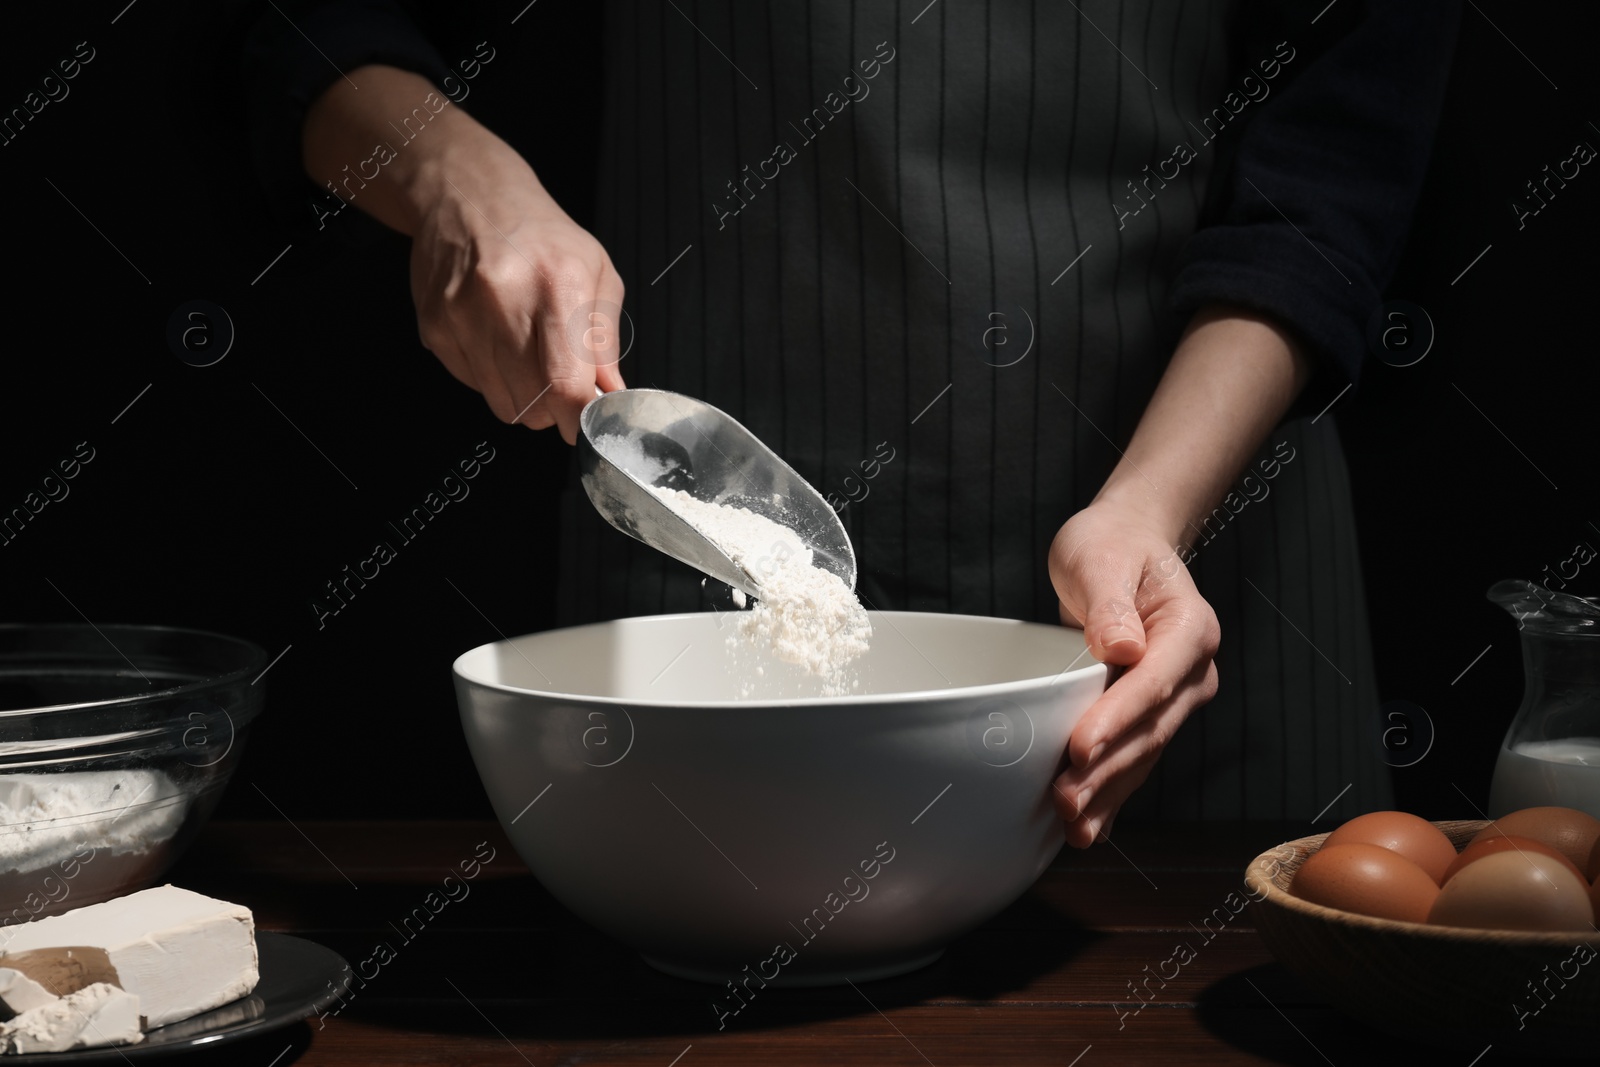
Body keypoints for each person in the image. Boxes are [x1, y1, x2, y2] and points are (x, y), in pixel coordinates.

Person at [244, 1, 1461, 846]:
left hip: (1187, 525)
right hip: (698, 514)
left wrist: (1153, 507)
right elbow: (289, 19)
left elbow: (1338, 147)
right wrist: (456, 175)